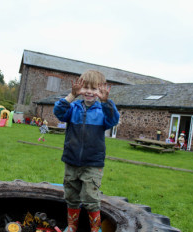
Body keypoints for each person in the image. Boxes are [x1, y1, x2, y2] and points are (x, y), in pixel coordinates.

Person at [53, 70, 120, 232]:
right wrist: (71, 95)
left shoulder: (102, 111)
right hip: (71, 160)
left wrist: (106, 102)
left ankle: (95, 229)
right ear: (79, 88)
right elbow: (59, 112)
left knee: (90, 197)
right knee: (71, 195)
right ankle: (72, 227)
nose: (89, 92)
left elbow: (113, 120)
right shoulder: (74, 108)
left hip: (92, 163)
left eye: (94, 89)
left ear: (101, 91)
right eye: (86, 88)